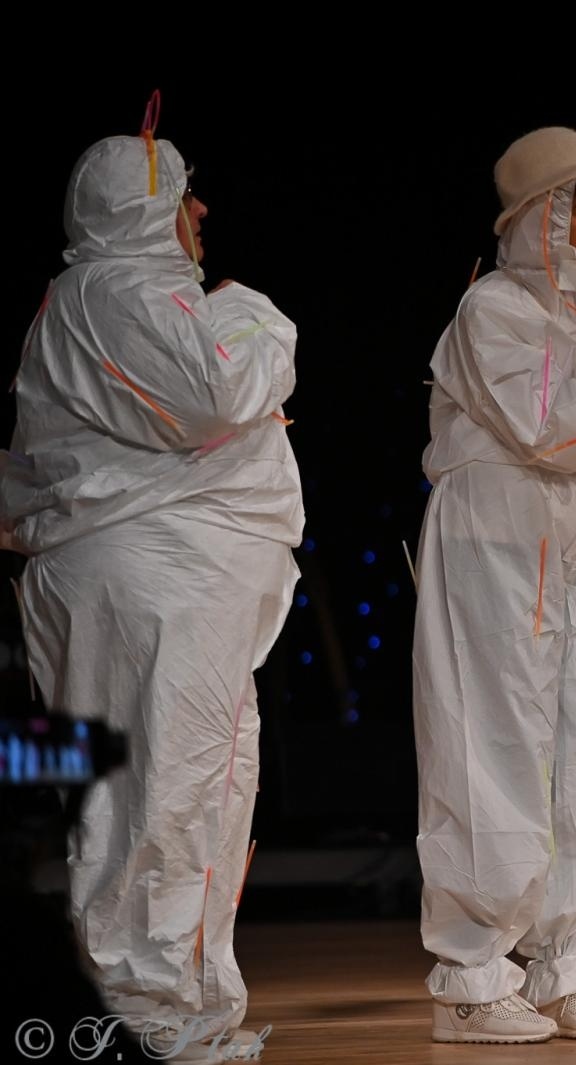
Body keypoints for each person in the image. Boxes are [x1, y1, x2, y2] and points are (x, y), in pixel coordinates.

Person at [2, 120, 302, 1058]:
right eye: (182, 196)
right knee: (163, 796)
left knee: (183, 793)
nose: (201, 211)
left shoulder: (99, 297)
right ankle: (150, 1018)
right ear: (141, 212)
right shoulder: (121, 289)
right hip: (152, 581)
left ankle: (175, 1007)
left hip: (157, 580)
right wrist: (255, 311)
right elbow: (216, 397)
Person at [413, 126, 576, 1043]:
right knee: (496, 742)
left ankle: (560, 959)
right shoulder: (492, 308)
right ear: (542, 216)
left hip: (573, 546)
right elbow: (551, 429)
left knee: (573, 753)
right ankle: (471, 971)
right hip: (499, 535)